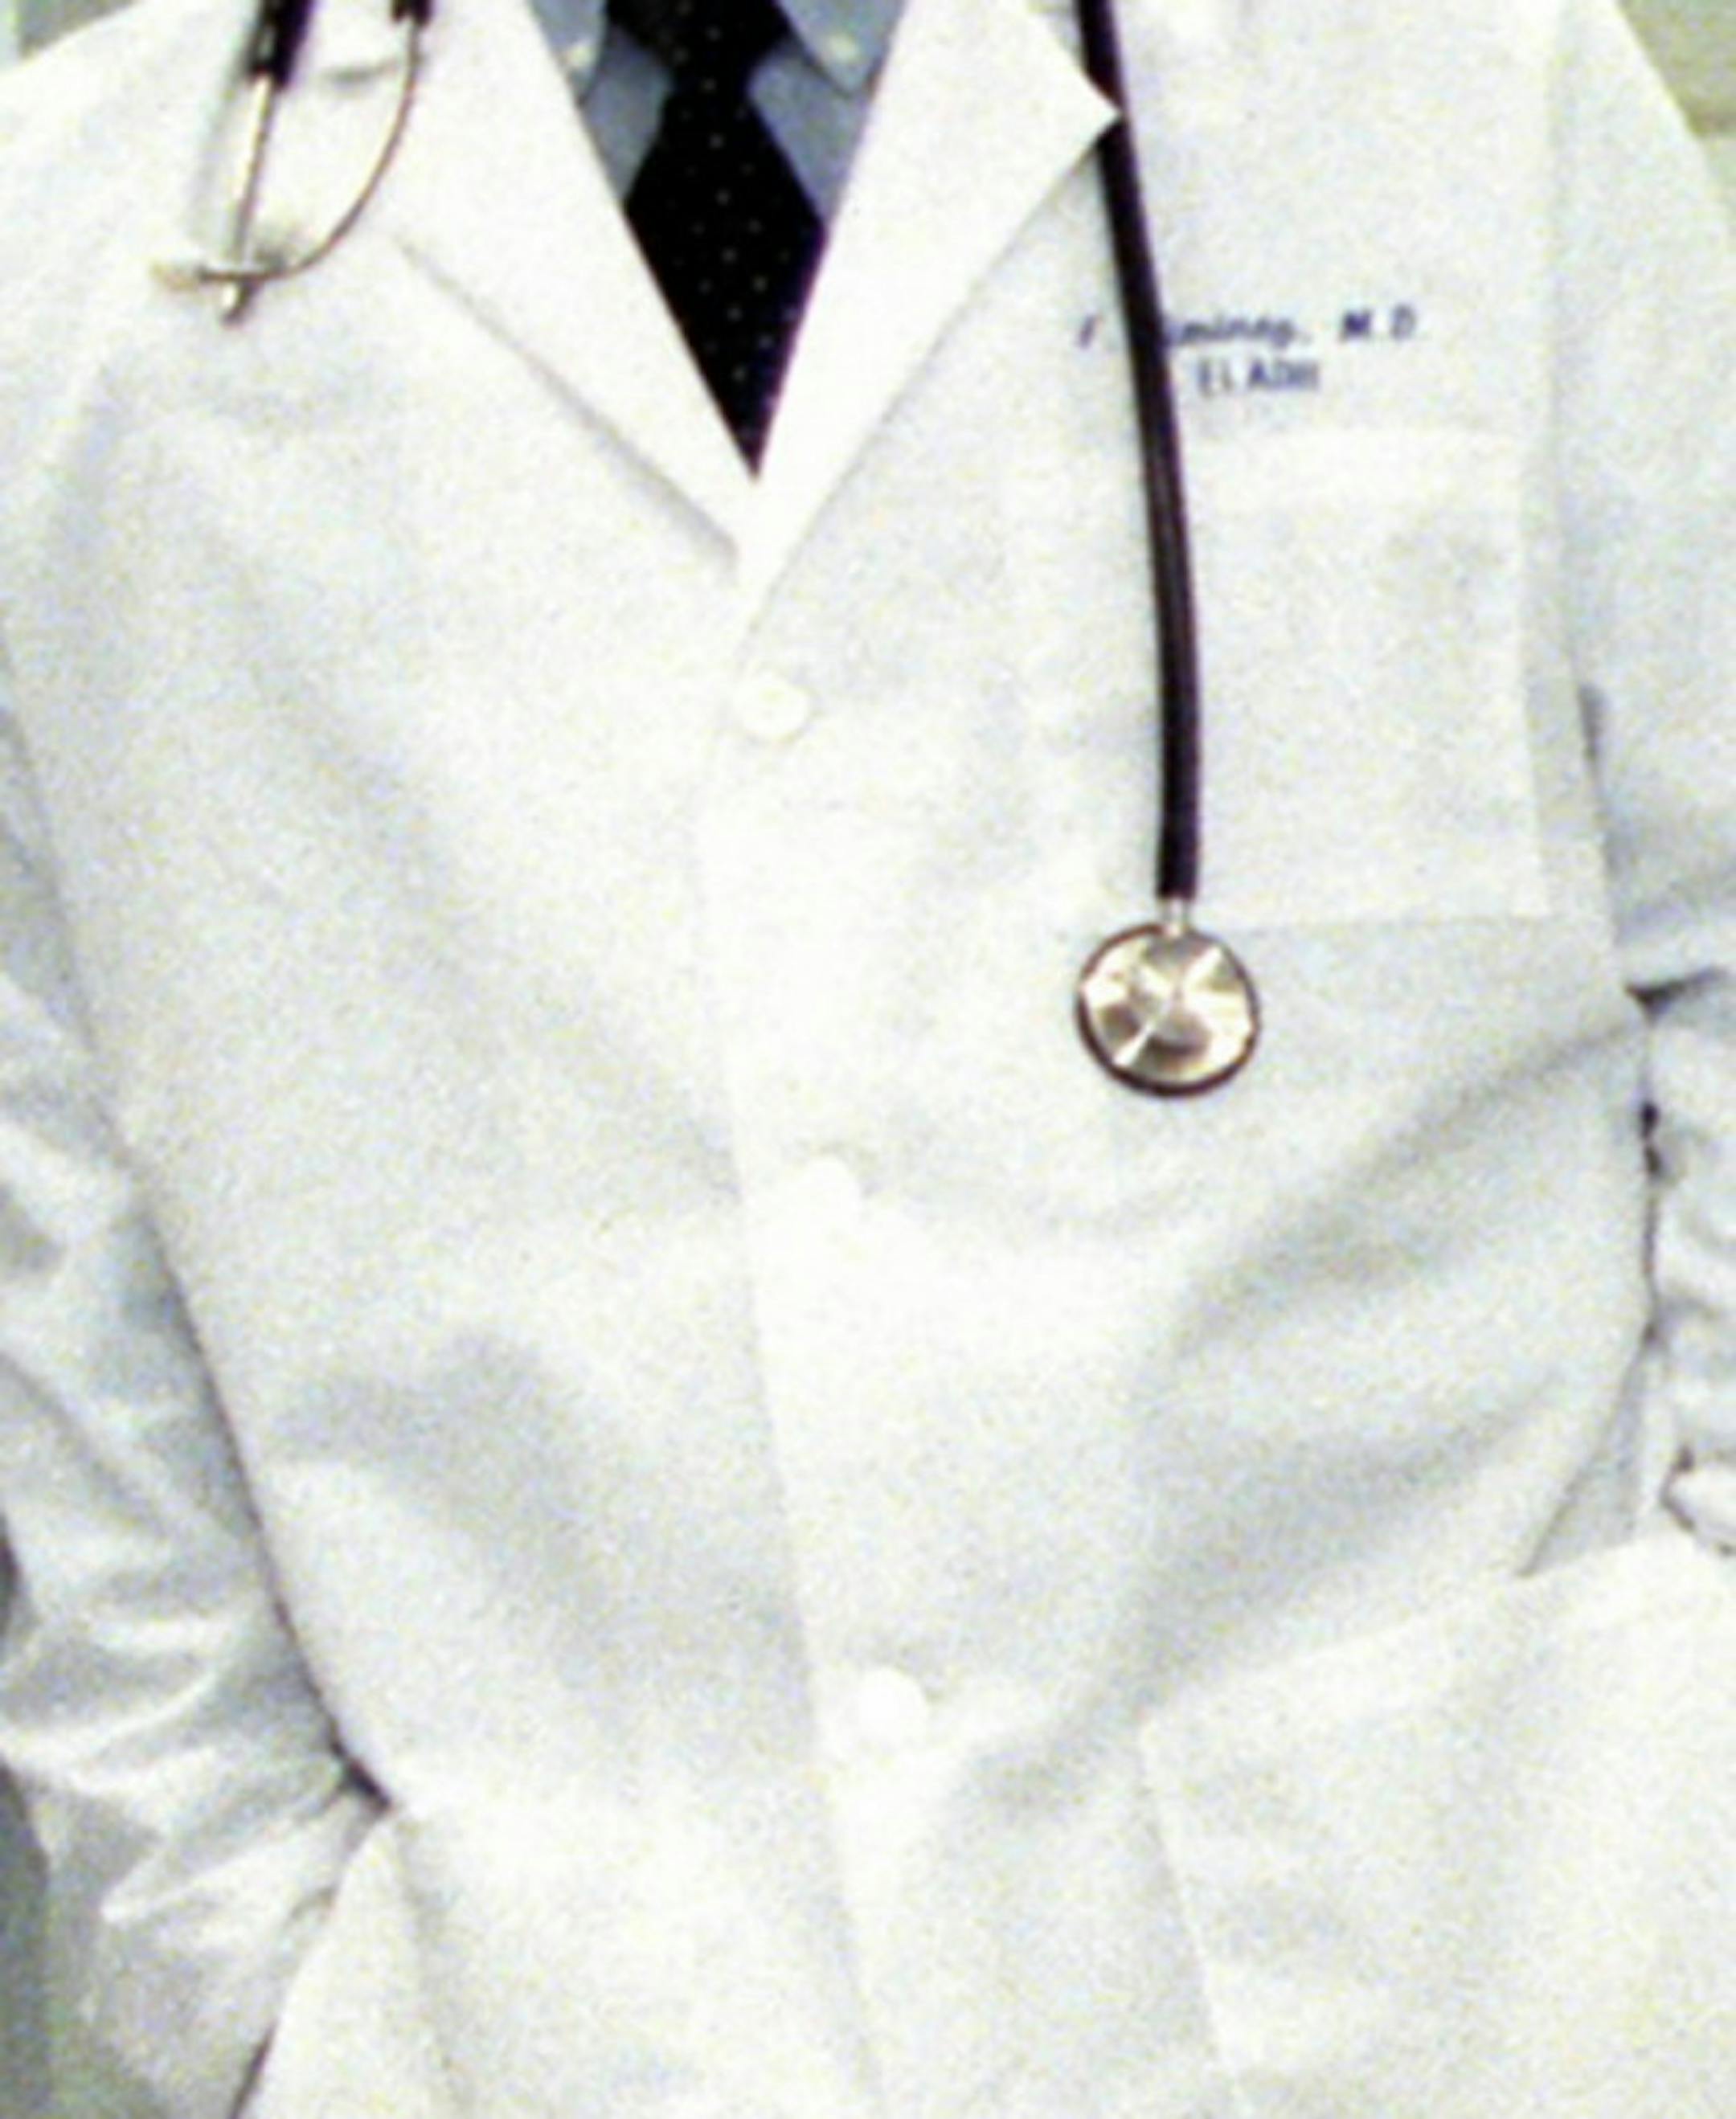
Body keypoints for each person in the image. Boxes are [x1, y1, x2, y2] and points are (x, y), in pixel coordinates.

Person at [0, 0, 1733, 2113]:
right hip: (542, 2022)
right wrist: (245, 1975)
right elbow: (59, 1250)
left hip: (1504, 1948)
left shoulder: (1459, 83)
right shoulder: (84, 229)